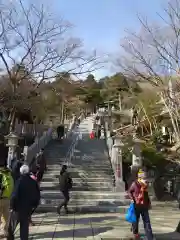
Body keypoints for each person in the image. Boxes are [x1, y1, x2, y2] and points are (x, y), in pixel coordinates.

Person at [9, 164, 40, 240]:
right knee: (24, 227)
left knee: (11, 226)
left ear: (21, 172)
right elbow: (37, 196)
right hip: (28, 209)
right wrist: (33, 206)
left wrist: (12, 206)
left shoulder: (19, 181)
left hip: (18, 208)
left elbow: (14, 196)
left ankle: (10, 237)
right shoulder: (33, 182)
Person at [128, 169, 154, 240]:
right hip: (136, 204)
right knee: (135, 220)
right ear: (140, 177)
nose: (145, 179)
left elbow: (146, 195)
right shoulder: (135, 184)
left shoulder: (146, 185)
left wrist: (149, 203)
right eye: (144, 177)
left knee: (147, 221)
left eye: (145, 177)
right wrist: (132, 199)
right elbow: (129, 191)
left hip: (144, 205)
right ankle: (135, 234)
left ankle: (150, 237)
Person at [0, 166, 14, 238]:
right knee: (5, 218)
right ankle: (4, 233)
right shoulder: (10, 176)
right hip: (7, 199)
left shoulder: (0, 175)